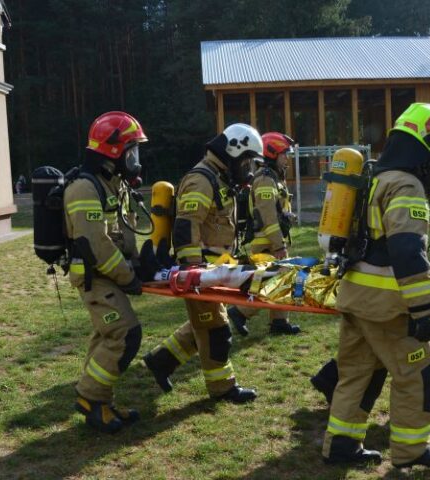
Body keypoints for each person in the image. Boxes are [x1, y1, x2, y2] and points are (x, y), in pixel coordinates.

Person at [321, 103, 430, 469]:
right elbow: (407, 252)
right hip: (386, 305)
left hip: (354, 297)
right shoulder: (406, 185)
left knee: (356, 374)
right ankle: (411, 451)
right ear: (424, 147)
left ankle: (341, 445)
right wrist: (425, 309)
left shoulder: (374, 178)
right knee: (418, 370)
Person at [142, 124, 261, 404]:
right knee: (216, 330)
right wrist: (192, 271)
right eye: (246, 161)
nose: (248, 168)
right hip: (200, 273)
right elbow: (186, 227)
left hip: (214, 272)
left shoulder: (218, 178)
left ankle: (161, 361)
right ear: (233, 151)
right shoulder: (202, 179)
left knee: (204, 324)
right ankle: (223, 388)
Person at [65, 111, 147, 433]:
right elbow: (95, 245)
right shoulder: (84, 188)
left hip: (107, 275)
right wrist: (129, 278)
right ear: (114, 151)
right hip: (94, 276)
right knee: (125, 334)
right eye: (132, 151)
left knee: (106, 335)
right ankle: (91, 399)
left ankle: (100, 401)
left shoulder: (112, 184)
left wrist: (140, 263)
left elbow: (123, 234)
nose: (135, 159)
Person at [227, 132, 301, 336]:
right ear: (272, 152)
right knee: (274, 280)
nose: (287, 158)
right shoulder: (266, 180)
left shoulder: (273, 177)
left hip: (272, 240)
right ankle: (240, 312)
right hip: (267, 243)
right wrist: (278, 245)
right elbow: (268, 216)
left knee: (277, 279)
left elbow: (276, 210)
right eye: (284, 154)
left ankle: (279, 322)